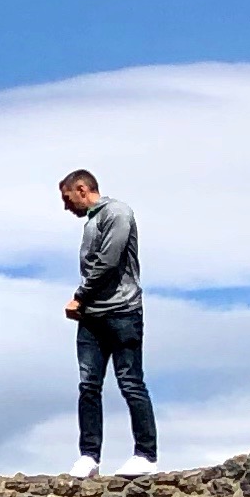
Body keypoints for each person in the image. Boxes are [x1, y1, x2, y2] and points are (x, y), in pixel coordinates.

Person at [59, 169, 155, 474]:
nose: (66, 206)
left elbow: (108, 261)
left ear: (82, 189)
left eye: (68, 198)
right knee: (89, 385)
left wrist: (79, 296)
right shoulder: (93, 220)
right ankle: (89, 456)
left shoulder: (117, 213)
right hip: (92, 318)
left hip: (122, 311)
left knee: (130, 382)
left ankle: (145, 455)